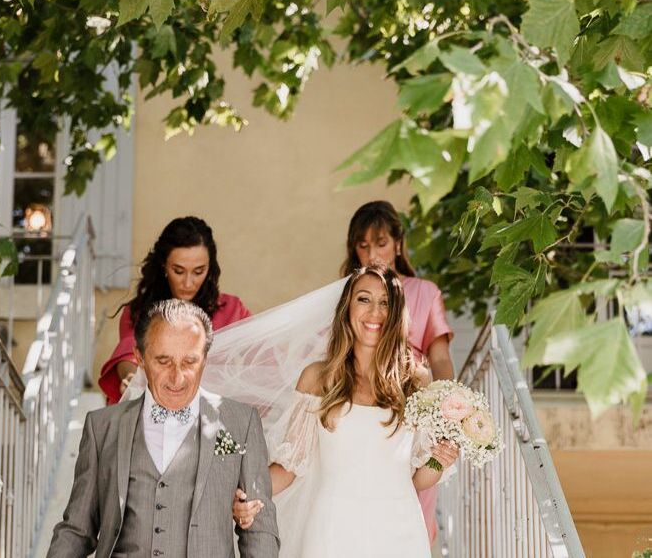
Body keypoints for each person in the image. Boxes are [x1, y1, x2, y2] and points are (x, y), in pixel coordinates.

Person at [235, 265, 458, 557]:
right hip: (332, 530)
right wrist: (250, 493)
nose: (374, 312)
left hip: (399, 531)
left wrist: (440, 460)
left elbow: (417, 477)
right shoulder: (317, 378)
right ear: (347, 308)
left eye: (385, 302)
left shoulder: (415, 380)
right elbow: (290, 466)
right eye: (364, 299)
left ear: (396, 313)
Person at [47, 299, 279, 558]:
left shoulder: (241, 422)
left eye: (189, 362)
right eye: (163, 361)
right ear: (140, 358)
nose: (177, 377)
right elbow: (77, 530)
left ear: (204, 359)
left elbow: (260, 531)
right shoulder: (102, 427)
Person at [341, 199, 454, 543]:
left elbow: (440, 359)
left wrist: (450, 407)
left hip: (411, 407)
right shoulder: (349, 296)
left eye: (381, 243)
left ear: (398, 244)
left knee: (416, 506)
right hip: (361, 408)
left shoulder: (424, 292)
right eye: (363, 246)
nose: (372, 254)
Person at [98, 216, 251, 405]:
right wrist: (132, 379)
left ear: (210, 268)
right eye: (178, 271)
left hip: (214, 420)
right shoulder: (138, 311)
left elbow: (263, 362)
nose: (188, 283)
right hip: (156, 414)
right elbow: (129, 354)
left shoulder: (233, 309)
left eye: (198, 271)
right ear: (164, 265)